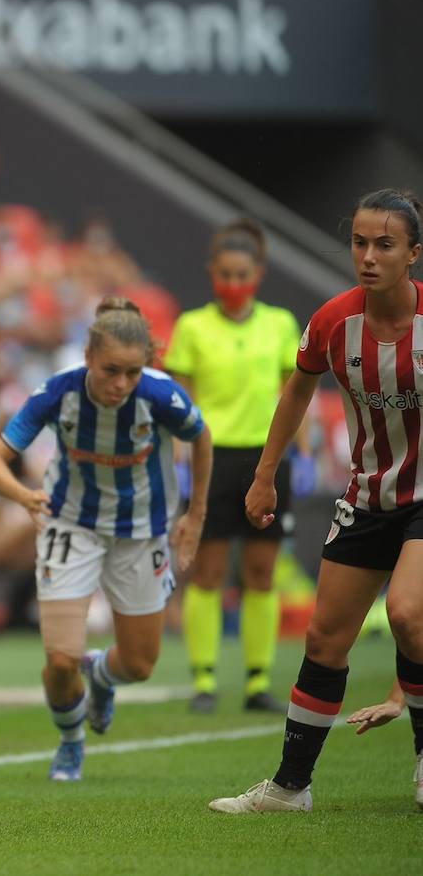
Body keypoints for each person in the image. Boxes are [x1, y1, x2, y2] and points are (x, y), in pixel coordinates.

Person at [211, 189, 423, 814]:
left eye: (385, 244)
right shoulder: (333, 321)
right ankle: (289, 788)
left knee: (409, 614)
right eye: (359, 242)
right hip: (364, 498)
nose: (368, 255)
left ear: (414, 253)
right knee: (325, 642)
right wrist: (264, 474)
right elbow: (297, 391)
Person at [0, 298, 212, 782]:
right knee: (60, 661)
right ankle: (70, 742)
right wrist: (26, 496)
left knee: (141, 665)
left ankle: (103, 675)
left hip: (141, 532)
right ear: (88, 356)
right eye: (110, 370)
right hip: (71, 526)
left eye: (132, 371)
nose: (121, 384)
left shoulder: (161, 396)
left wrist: (195, 513)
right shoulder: (57, 393)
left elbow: (202, 436)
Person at [163, 219, 302, 714]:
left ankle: (258, 679)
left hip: (266, 456)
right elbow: (182, 394)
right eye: (225, 273)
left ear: (258, 274)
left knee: (262, 571)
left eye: (243, 273)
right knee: (209, 570)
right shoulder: (193, 326)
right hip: (212, 456)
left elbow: (295, 391)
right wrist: (184, 451)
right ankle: (204, 678)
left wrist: (298, 452)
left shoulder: (280, 324)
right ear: (211, 273)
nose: (234, 283)